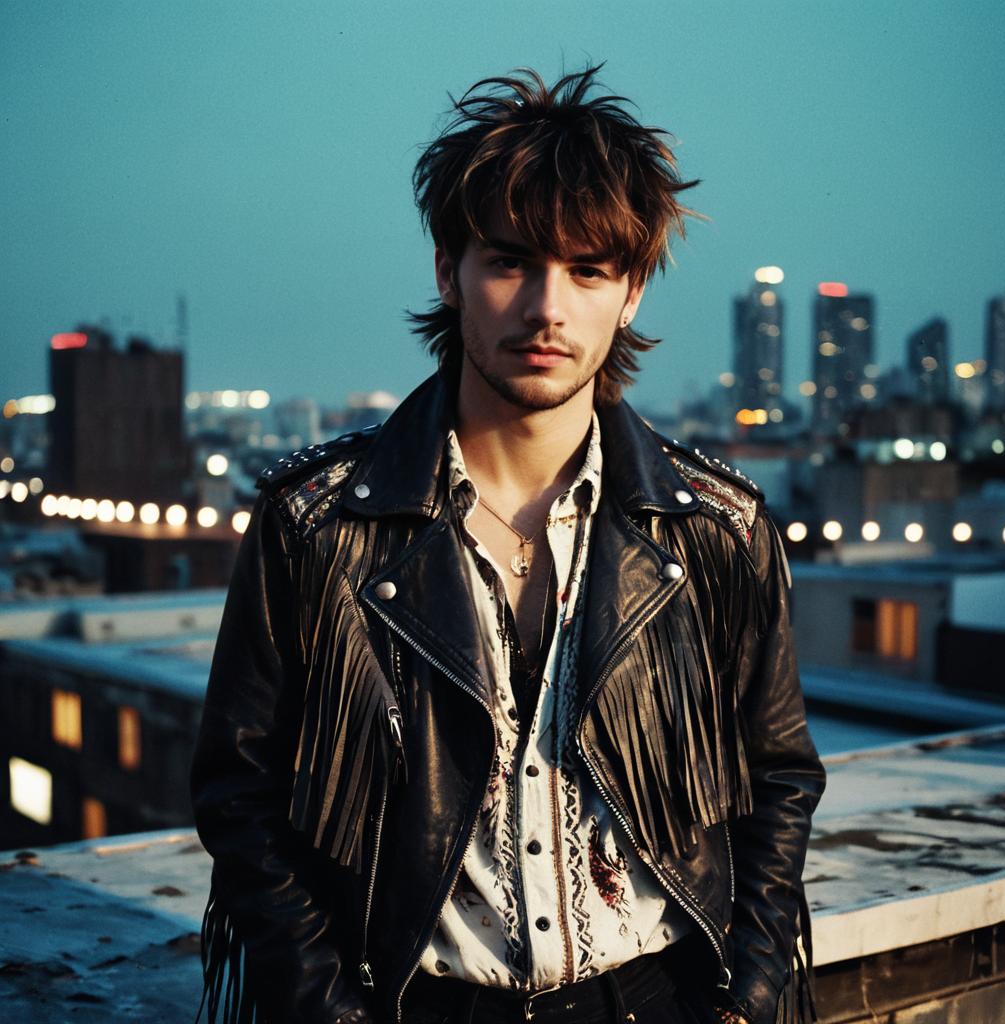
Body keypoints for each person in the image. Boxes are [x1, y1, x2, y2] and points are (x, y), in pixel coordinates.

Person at [191, 66, 825, 1024]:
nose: (547, 308)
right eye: (510, 261)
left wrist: (745, 995)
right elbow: (241, 796)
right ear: (449, 271)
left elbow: (778, 777)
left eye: (588, 270)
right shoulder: (317, 527)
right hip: (413, 1002)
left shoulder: (716, 530)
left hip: (658, 999)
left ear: (633, 294)